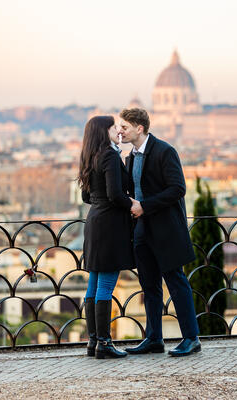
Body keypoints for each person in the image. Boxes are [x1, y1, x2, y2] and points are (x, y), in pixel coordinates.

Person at [118, 108, 201, 357]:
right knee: (149, 284)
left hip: (165, 228)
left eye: (124, 127)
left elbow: (178, 188)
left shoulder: (165, 151)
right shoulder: (129, 156)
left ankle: (191, 338)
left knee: (176, 282)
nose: (121, 131)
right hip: (142, 228)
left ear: (139, 128)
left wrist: (145, 206)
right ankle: (154, 338)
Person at [79, 115, 137, 359]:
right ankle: (104, 342)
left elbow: (85, 197)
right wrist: (133, 204)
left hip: (94, 222)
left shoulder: (90, 156)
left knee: (94, 283)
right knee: (105, 284)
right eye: (114, 127)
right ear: (104, 132)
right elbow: (115, 194)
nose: (118, 130)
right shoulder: (110, 155)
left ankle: (94, 341)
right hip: (110, 225)